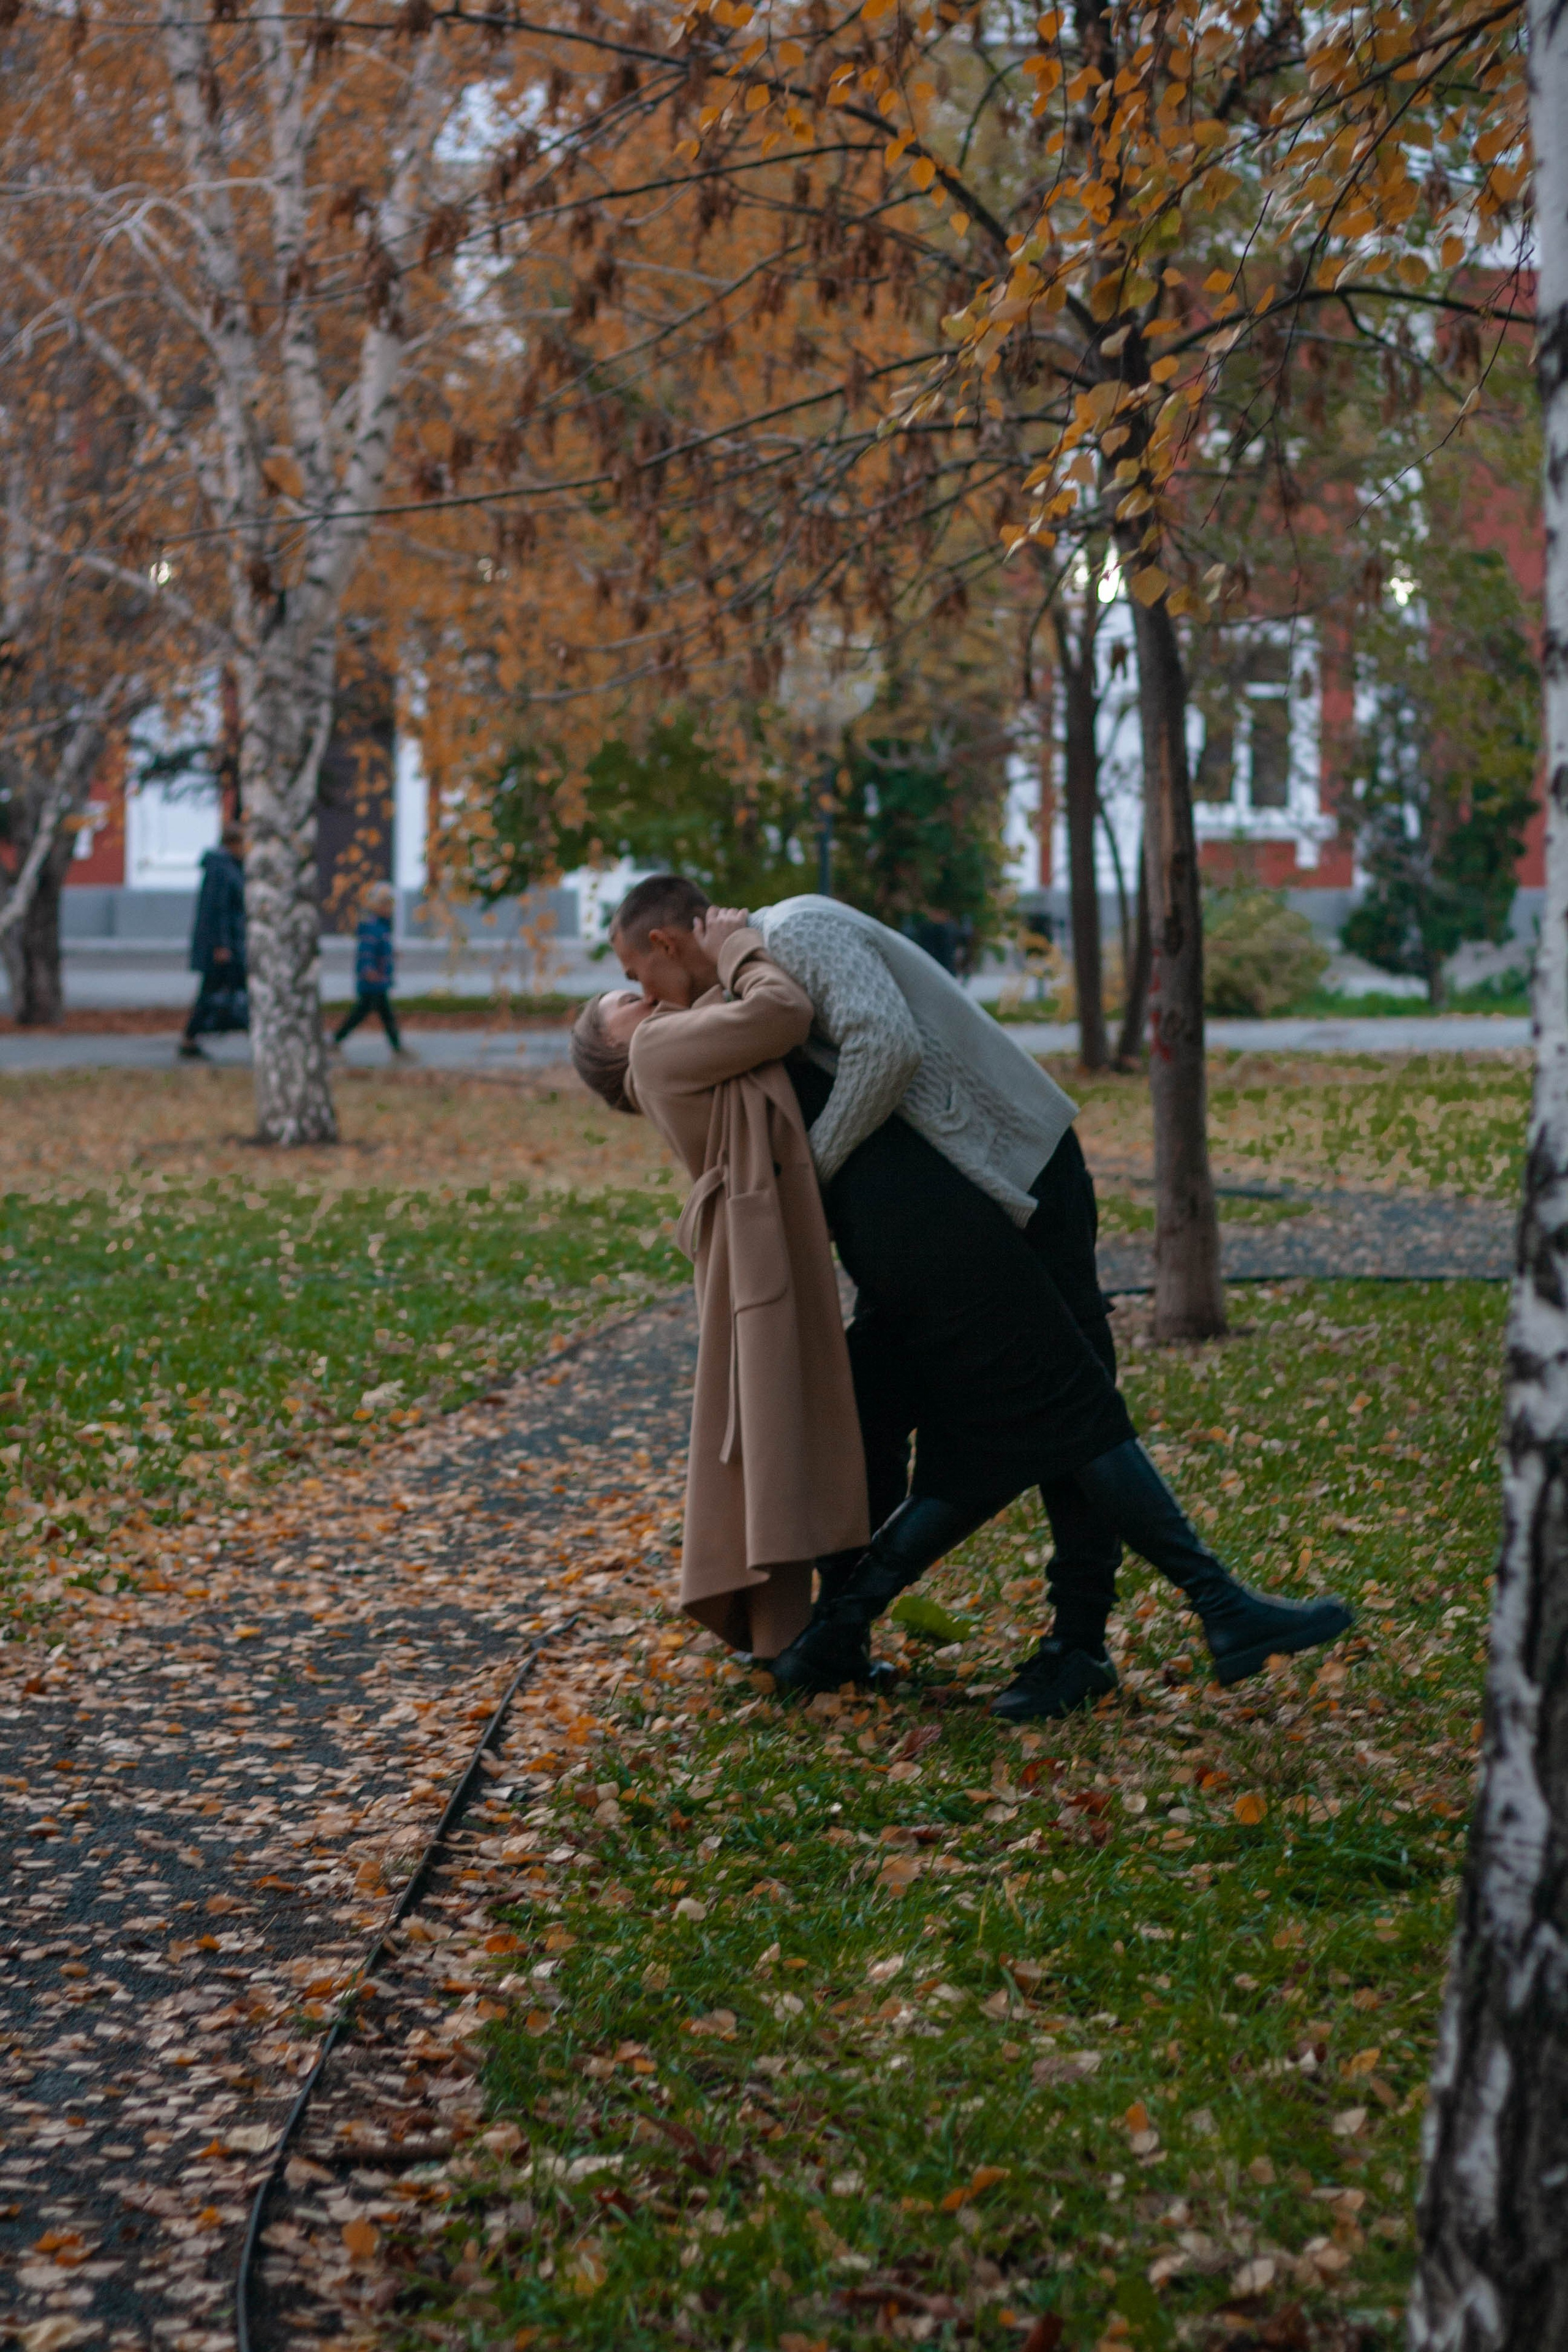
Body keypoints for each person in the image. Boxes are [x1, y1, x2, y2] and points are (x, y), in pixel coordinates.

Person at [594, 876, 1352, 1715]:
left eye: (637, 977)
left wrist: (816, 1171)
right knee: (1042, 1406)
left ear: (665, 943)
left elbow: (885, 1047)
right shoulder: (728, 999)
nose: (647, 999)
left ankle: (1072, 1640)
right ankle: (1034, 1637)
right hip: (956, 1203)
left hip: (1016, 1170)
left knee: (1062, 1402)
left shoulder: (795, 930)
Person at [572, 912, 867, 1659]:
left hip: (755, 1248)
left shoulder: (682, 1040)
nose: (640, 995)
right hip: (754, 1255)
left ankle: (788, 1637)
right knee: (770, 1438)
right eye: (627, 999)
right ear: (616, 1049)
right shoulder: (660, 1048)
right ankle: (791, 1640)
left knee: (774, 1439)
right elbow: (781, 1013)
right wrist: (736, 945)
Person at [179, 820, 247, 1060]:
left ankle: (191, 1038)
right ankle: (191, 1037)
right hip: (223, 946)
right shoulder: (221, 869)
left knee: (215, 992)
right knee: (215, 993)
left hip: (231, 942)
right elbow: (217, 909)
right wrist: (222, 945)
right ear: (233, 843)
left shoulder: (229, 866)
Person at [332, 882, 409, 1057]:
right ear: (377, 906)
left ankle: (397, 1047)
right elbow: (367, 951)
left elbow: (381, 948)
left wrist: (391, 954)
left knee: (382, 1014)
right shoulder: (372, 926)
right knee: (366, 1013)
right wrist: (368, 970)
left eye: (390, 905)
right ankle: (337, 1039)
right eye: (385, 905)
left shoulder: (382, 926)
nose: (389, 909)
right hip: (372, 981)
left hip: (379, 980)